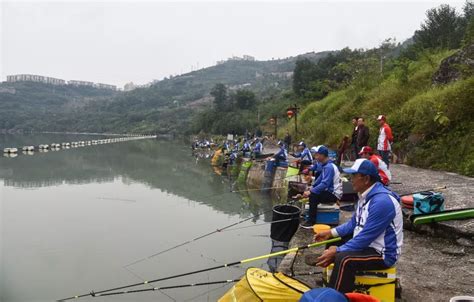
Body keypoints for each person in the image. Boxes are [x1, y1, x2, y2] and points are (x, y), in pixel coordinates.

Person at [313, 158, 403, 293]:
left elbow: (365, 237)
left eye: (354, 176)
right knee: (335, 241)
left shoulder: (381, 202)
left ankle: (335, 296)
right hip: (368, 246)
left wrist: (337, 251)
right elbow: (353, 224)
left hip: (382, 254)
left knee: (344, 259)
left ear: (366, 179)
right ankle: (332, 279)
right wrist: (330, 233)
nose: (351, 179)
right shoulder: (365, 196)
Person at [300, 145, 342, 229]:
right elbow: (319, 180)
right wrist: (311, 187)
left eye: (317, 155)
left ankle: (311, 221)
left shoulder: (329, 167)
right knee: (313, 192)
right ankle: (310, 213)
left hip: (334, 194)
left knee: (313, 195)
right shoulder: (325, 165)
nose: (316, 157)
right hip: (330, 192)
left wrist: (311, 191)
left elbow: (324, 184)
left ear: (322, 155)